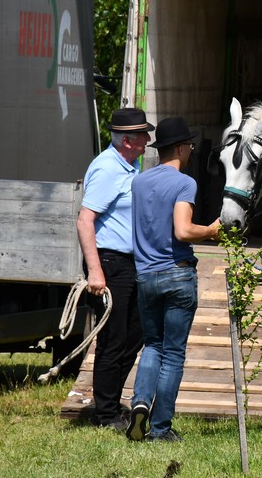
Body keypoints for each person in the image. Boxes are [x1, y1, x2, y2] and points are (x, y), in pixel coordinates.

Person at [126, 117, 221, 442]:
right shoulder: (184, 183)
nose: (192, 150)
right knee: (173, 352)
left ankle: (140, 402)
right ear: (181, 148)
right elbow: (182, 230)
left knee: (151, 346)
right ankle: (161, 428)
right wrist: (210, 231)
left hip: (146, 276)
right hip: (177, 275)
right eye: (190, 146)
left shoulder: (139, 182)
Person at [77, 107, 153, 430]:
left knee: (134, 335)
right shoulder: (108, 168)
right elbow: (85, 220)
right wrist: (95, 271)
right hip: (110, 262)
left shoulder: (129, 166)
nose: (148, 141)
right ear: (126, 140)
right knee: (113, 338)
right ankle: (105, 414)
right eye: (142, 136)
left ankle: (108, 402)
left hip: (129, 263)